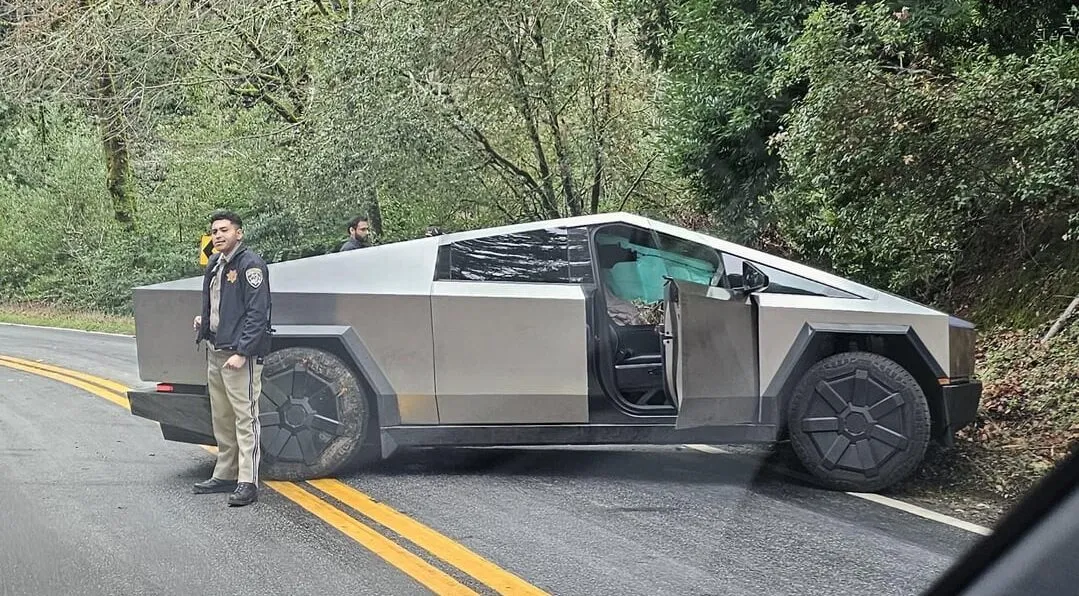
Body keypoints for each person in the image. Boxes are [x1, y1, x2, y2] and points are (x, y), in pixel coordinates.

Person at [191, 210, 272, 507]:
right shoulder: (215, 263)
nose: (218, 235)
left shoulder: (250, 265)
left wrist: (243, 352)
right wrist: (207, 320)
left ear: (239, 233)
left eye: (224, 230)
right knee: (222, 417)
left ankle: (247, 481)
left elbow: (257, 313)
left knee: (245, 417)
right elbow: (223, 305)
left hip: (239, 355)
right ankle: (225, 473)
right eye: (214, 231)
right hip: (216, 349)